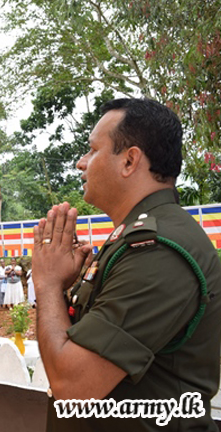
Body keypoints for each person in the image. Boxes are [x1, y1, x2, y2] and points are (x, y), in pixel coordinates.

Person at [31, 98, 221, 431]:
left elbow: (73, 386)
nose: (81, 163)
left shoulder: (158, 251)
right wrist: (59, 287)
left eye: (91, 150)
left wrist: (46, 283)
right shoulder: (134, 237)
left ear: (130, 160)